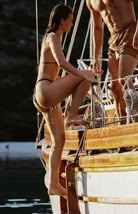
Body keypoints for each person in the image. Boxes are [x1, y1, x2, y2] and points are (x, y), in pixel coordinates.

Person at [34, 4, 96, 198]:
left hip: (46, 92)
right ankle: (72, 115)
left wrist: (82, 87)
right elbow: (61, 64)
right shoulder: (52, 37)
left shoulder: (55, 38)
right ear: (61, 20)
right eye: (70, 19)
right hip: (45, 90)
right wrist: (84, 77)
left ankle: (53, 185)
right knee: (87, 74)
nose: (71, 23)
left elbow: (58, 76)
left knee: (59, 141)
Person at [86, 0, 138, 123]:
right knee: (114, 86)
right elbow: (97, 28)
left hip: (130, 31)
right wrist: (96, 58)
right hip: (113, 39)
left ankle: (135, 119)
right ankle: (122, 122)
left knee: (124, 78)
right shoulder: (90, 2)